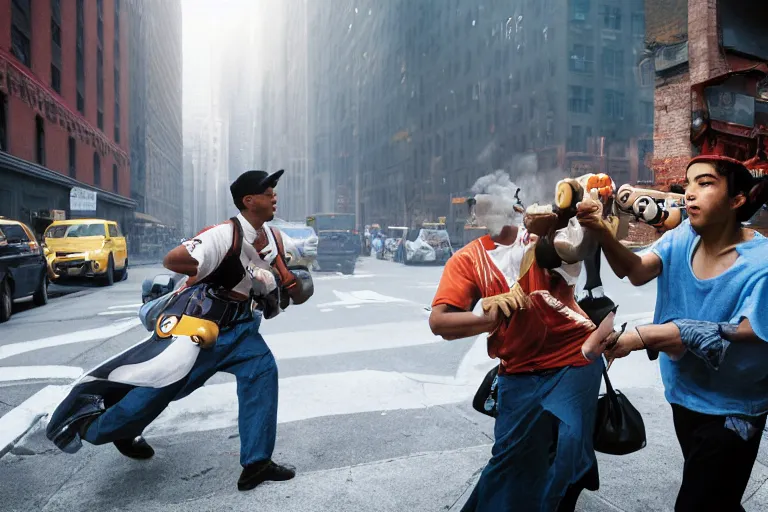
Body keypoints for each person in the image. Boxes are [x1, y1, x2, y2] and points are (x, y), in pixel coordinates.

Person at [78, 170, 312, 492]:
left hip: (243, 328)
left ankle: (256, 464)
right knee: (160, 390)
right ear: (248, 200)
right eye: (267, 190)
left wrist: (284, 278)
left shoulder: (273, 238)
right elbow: (173, 259)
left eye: (274, 190)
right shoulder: (222, 234)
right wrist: (221, 270)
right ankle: (93, 427)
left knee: (262, 372)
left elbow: (297, 291)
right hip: (203, 329)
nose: (274, 195)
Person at [578, 155, 768, 512]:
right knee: (717, 496)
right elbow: (634, 271)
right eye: (689, 183)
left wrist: (646, 336)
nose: (690, 194)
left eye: (706, 183)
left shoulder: (762, 264)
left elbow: (747, 332)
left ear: (737, 199)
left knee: (698, 502)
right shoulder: (681, 237)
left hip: (734, 410)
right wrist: (603, 231)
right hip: (684, 395)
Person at [429, 191, 616, 512]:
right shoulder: (467, 260)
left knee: (569, 452)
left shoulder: (541, 240)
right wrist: (486, 317)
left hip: (575, 359)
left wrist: (578, 214)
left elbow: (578, 249)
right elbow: (439, 321)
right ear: (475, 217)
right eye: (481, 208)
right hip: (519, 371)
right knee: (510, 461)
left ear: (517, 208)